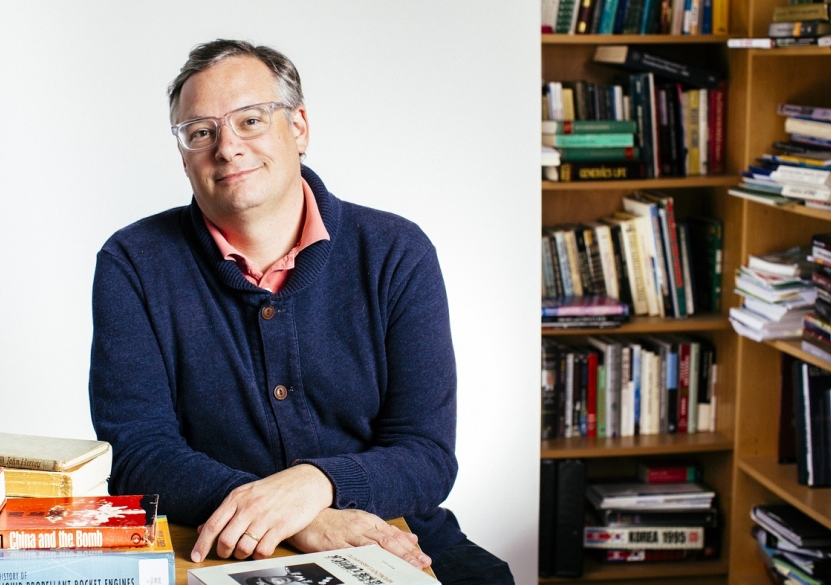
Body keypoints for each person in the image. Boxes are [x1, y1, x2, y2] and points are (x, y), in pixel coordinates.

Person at [88, 39, 513, 585]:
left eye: (250, 120)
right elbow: (138, 457)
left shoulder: (396, 252)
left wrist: (314, 485)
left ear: (299, 127)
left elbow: (426, 454)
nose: (227, 148)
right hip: (215, 543)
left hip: (386, 533)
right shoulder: (134, 262)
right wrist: (301, 520)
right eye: (201, 132)